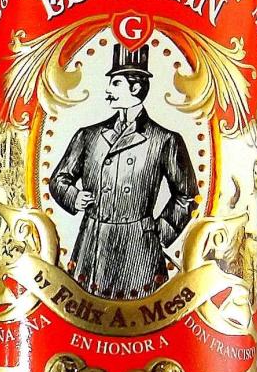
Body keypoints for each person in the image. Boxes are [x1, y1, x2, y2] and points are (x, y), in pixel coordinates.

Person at [49, 44, 196, 299]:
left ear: (135, 88)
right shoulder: (88, 135)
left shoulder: (165, 140)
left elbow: (186, 194)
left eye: (115, 83)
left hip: (138, 252)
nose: (108, 90)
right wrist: (74, 196)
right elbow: (59, 179)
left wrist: (159, 233)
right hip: (92, 246)